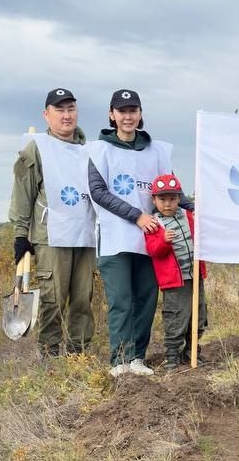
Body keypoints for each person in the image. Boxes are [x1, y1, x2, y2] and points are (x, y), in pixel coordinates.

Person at [88, 89, 194, 377]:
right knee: (121, 299)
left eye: (133, 110)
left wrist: (196, 208)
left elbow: (171, 189)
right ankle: (119, 360)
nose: (128, 116)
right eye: (122, 111)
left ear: (140, 114)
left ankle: (137, 357)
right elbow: (98, 192)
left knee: (146, 299)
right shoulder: (100, 150)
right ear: (112, 115)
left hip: (153, 239)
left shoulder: (156, 150)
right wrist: (136, 216)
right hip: (115, 238)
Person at [9, 87, 96, 358]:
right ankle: (49, 353)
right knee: (53, 298)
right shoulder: (37, 148)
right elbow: (23, 192)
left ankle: (78, 353)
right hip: (51, 235)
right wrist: (21, 234)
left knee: (82, 299)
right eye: (59, 110)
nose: (66, 115)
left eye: (71, 109)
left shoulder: (89, 150)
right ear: (47, 115)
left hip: (84, 234)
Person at [144, 174, 208, 370]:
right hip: (174, 281)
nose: (167, 204)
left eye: (172, 199)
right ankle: (172, 355)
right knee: (176, 316)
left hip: (194, 275)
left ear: (179, 198)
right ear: (154, 200)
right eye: (162, 199)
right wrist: (164, 241)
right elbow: (153, 250)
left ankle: (191, 350)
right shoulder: (154, 224)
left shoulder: (188, 216)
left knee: (198, 313)